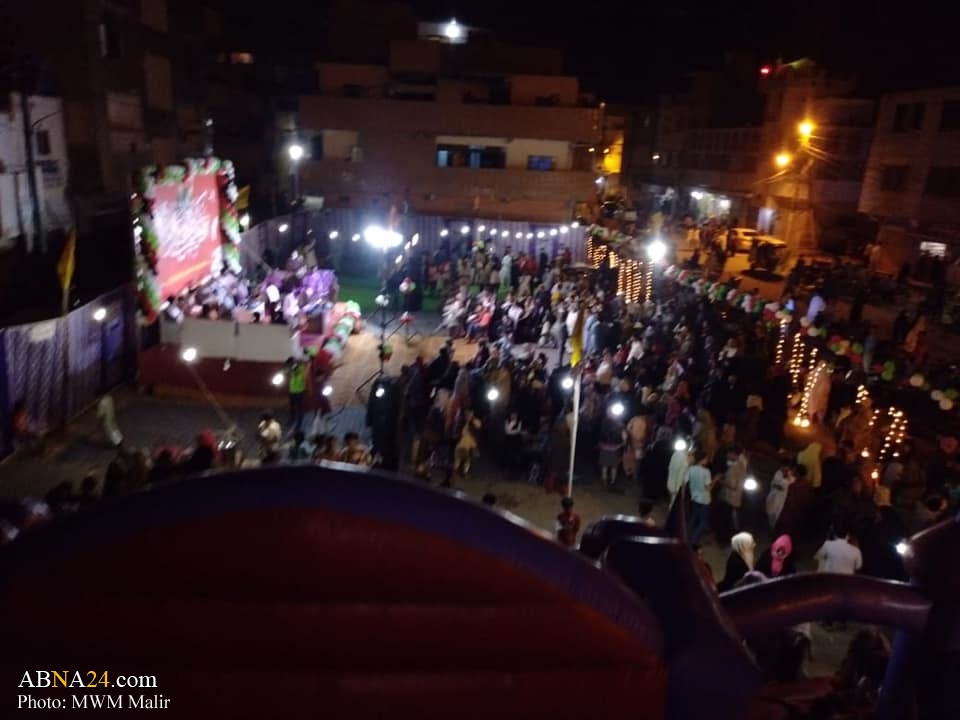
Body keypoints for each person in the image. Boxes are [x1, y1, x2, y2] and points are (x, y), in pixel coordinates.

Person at [686, 449, 714, 545]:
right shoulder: (706, 472)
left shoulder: (691, 469)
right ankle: (694, 541)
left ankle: (687, 536)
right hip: (704, 499)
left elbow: (686, 482)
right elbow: (708, 488)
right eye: (706, 458)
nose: (707, 460)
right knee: (703, 522)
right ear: (702, 459)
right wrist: (715, 480)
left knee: (693, 517)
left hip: (694, 497)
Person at [286, 356, 309, 431]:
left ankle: (299, 423)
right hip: (292, 391)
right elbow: (289, 373)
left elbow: (301, 375)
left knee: (299, 408)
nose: (289, 366)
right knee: (292, 407)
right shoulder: (292, 368)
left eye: (290, 364)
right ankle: (292, 420)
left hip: (299, 391)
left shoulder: (301, 368)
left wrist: (294, 369)